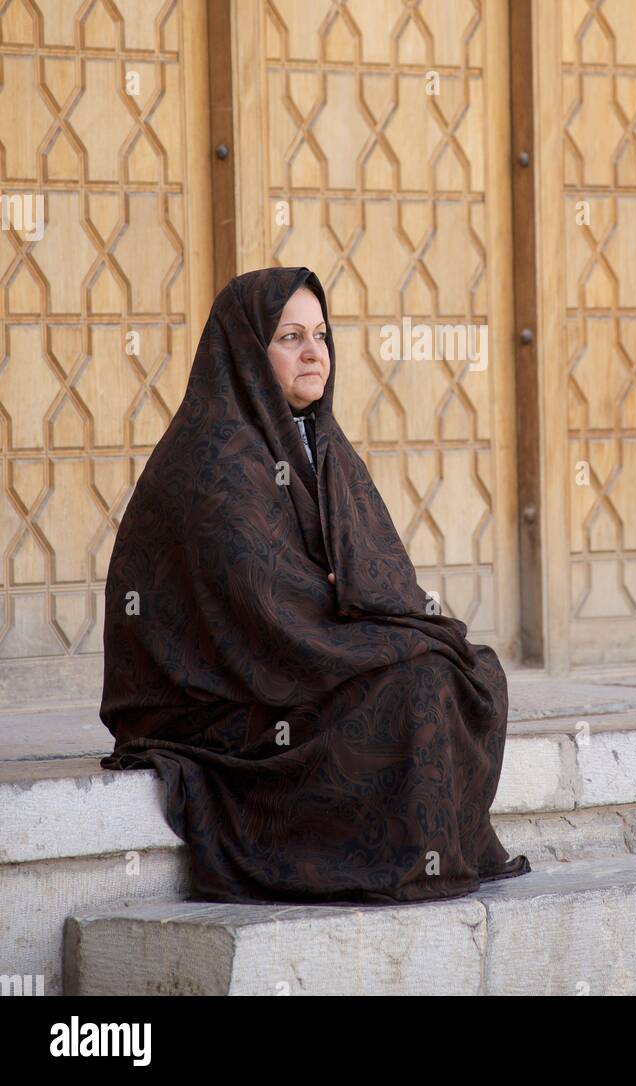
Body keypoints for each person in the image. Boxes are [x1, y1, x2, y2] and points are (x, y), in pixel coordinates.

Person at [99, 266, 531, 904]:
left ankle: (420, 858)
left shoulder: (322, 443)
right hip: (226, 692)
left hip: (300, 654)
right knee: (411, 683)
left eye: (321, 336)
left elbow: (380, 569)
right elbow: (258, 607)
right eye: (290, 337)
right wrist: (350, 617)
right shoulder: (213, 455)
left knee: (464, 670)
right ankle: (374, 862)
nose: (313, 353)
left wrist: (367, 609)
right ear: (249, 350)